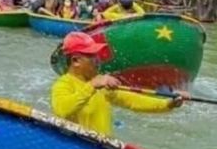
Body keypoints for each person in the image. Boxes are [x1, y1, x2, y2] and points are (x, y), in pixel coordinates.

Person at [51, 32, 186, 136]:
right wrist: (92, 86)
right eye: (92, 56)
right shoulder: (63, 84)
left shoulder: (102, 85)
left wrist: (168, 104)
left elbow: (133, 100)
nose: (98, 61)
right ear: (75, 61)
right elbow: (62, 110)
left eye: (98, 56)